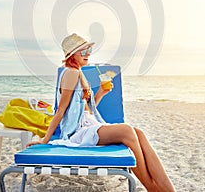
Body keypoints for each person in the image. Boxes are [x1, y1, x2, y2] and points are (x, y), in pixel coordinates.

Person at [27, 33, 175, 192]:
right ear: (72, 55)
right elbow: (61, 110)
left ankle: (167, 190)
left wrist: (100, 94)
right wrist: (45, 140)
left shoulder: (78, 72)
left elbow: (84, 110)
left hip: (86, 124)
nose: (88, 54)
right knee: (127, 131)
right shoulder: (71, 73)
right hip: (76, 132)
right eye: (83, 51)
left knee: (139, 133)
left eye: (88, 49)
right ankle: (151, 188)